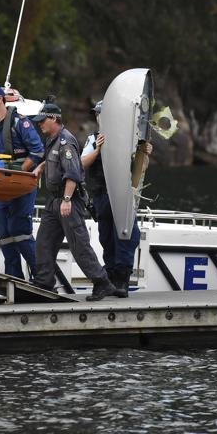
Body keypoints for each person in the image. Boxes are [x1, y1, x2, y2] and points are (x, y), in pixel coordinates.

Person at [30, 101, 125, 301]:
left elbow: (73, 172)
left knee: (79, 245)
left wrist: (66, 200)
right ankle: (44, 283)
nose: (39, 124)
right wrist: (41, 167)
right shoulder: (52, 140)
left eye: (42, 121)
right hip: (54, 201)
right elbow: (54, 160)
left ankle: (102, 283)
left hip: (68, 200)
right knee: (43, 243)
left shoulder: (66, 141)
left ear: (54, 119)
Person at [81, 100, 152, 297]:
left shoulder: (129, 138)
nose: (98, 117)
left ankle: (122, 280)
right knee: (106, 238)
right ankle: (111, 278)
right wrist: (97, 149)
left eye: (101, 113)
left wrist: (145, 153)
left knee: (126, 236)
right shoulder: (93, 138)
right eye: (97, 113)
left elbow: (140, 169)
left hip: (122, 196)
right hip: (101, 195)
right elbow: (82, 163)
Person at [0, 84, 45, 280]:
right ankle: (14, 280)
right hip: (0, 187)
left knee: (20, 230)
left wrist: (20, 173)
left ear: (0, 99)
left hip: (20, 185)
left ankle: (42, 276)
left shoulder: (20, 123)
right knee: (4, 233)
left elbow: (37, 151)